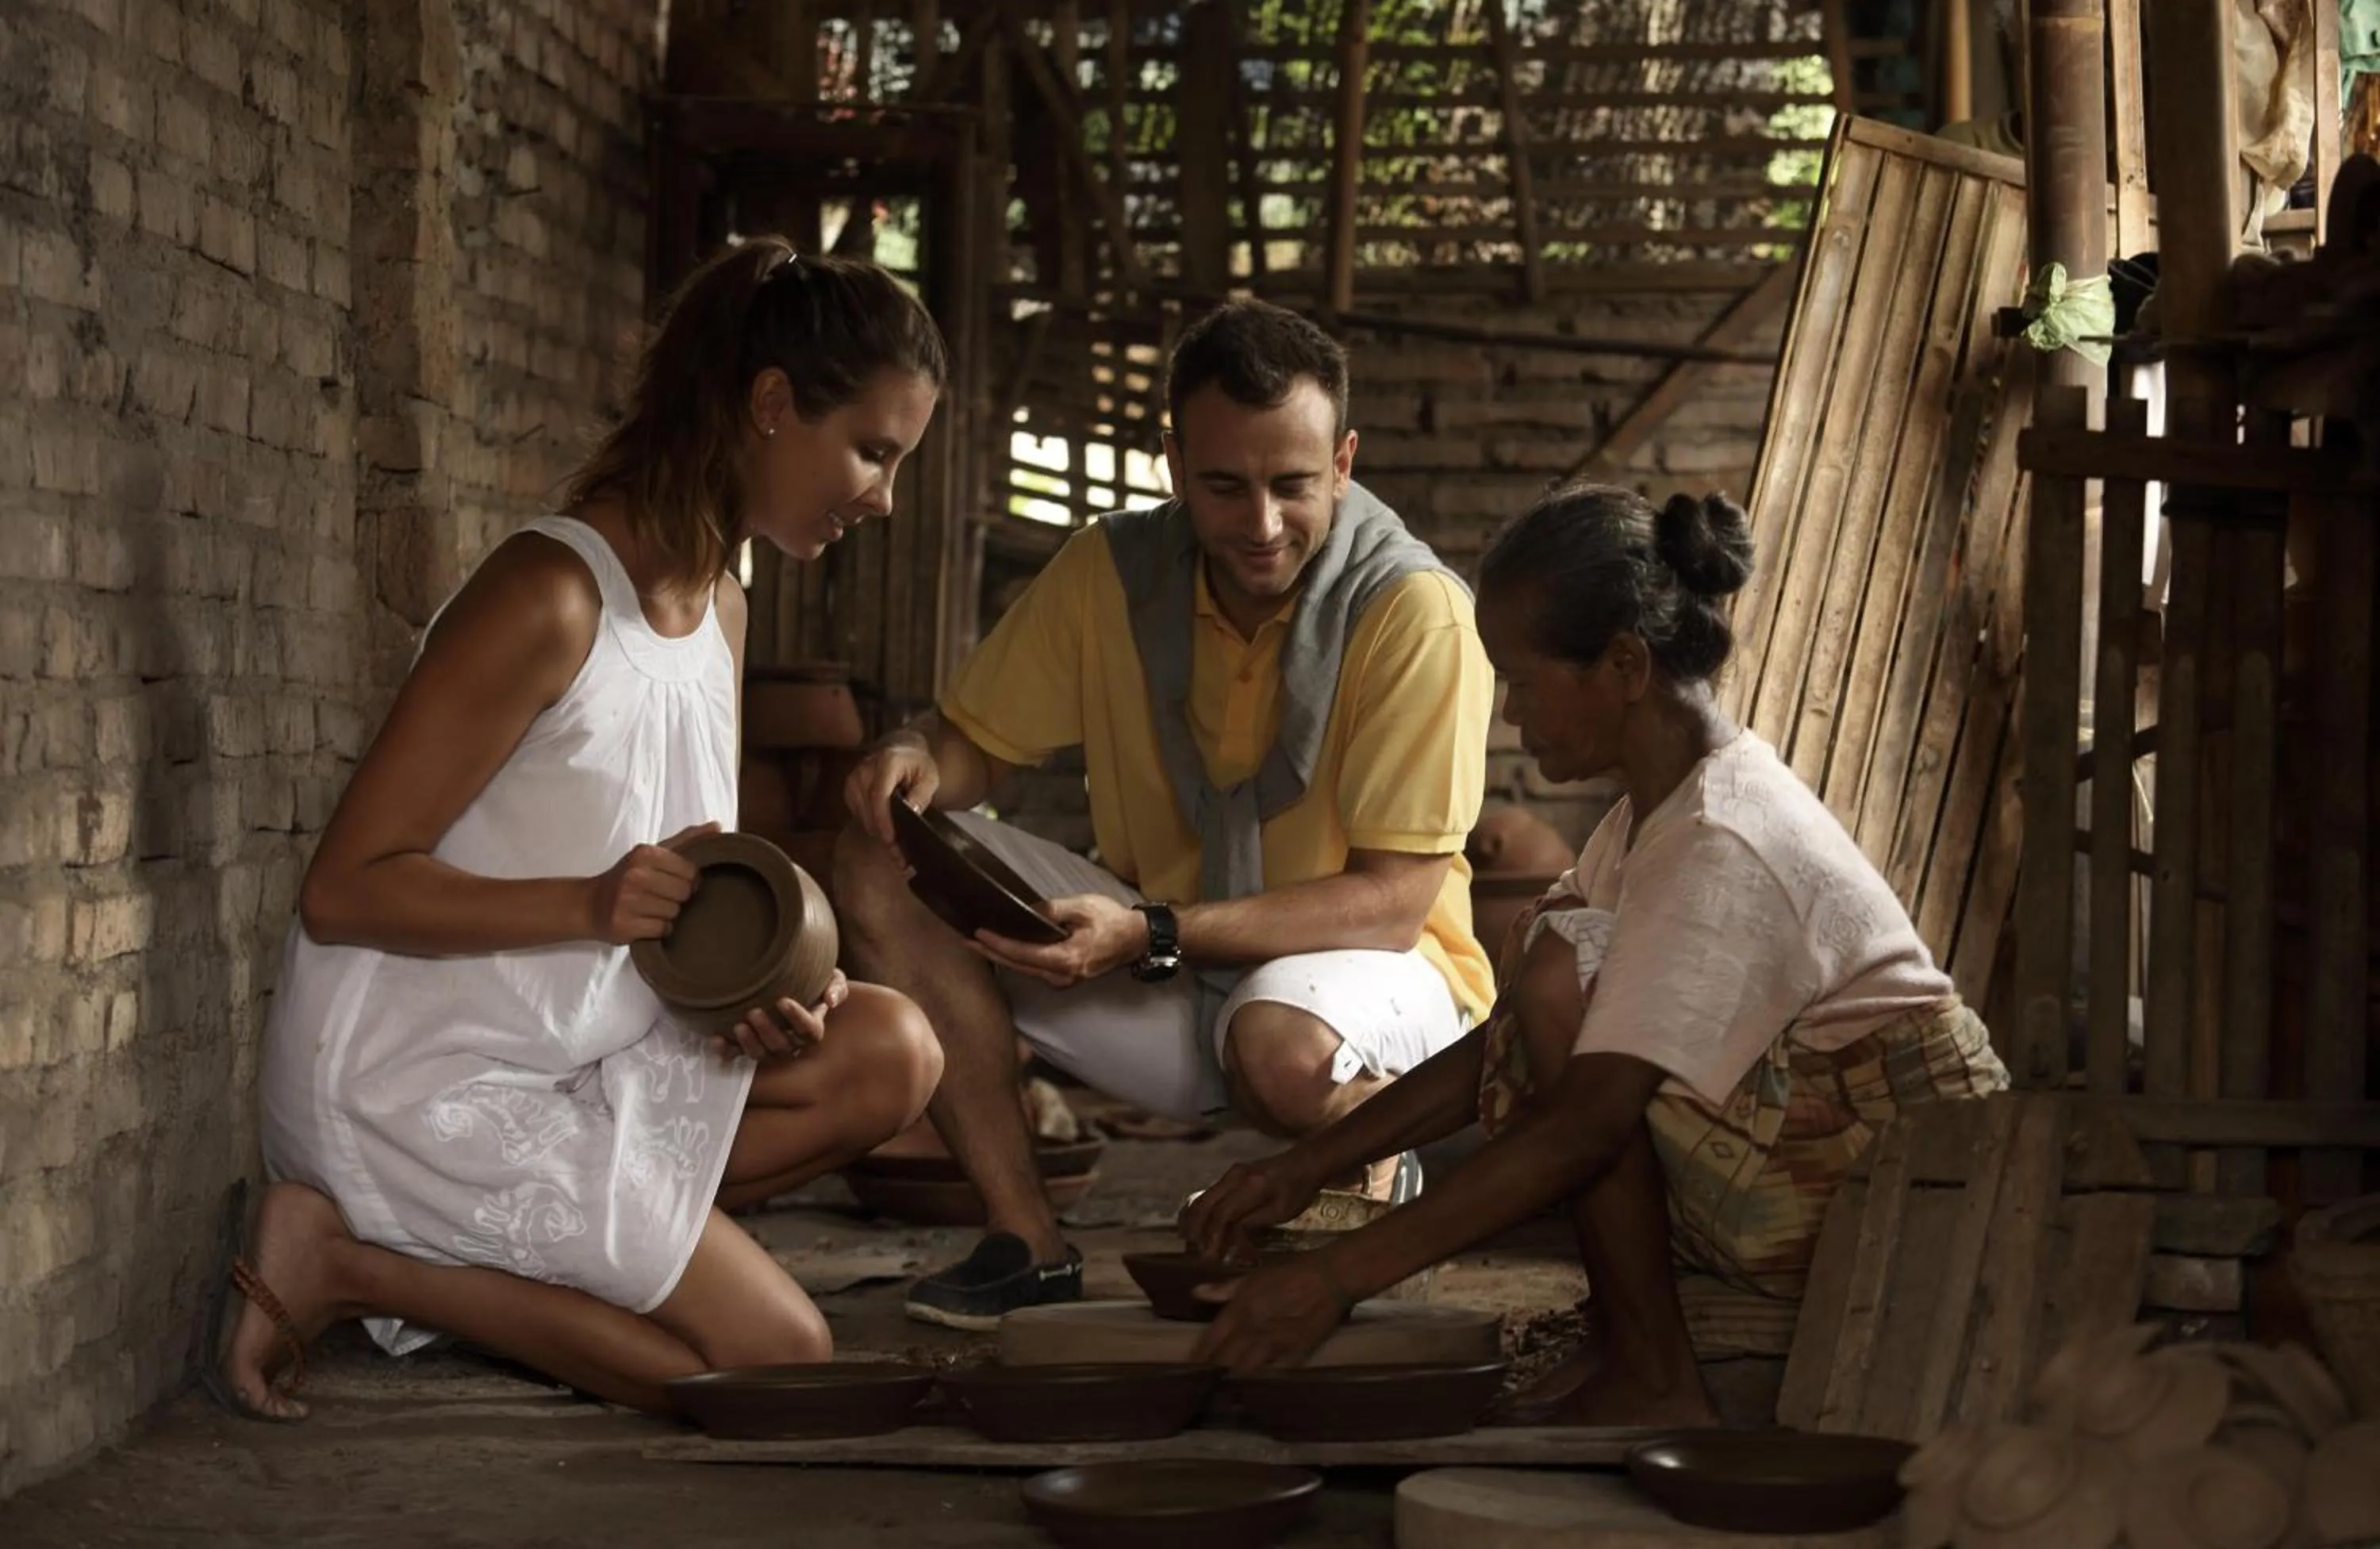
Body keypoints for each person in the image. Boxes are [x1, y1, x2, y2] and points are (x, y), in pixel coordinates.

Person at [206, 239, 951, 1422]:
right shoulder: (550, 596)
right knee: (780, 1362)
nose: (883, 496)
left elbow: (684, 893)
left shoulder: (724, 609)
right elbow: (344, 890)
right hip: (420, 1077)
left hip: (582, 1049)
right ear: (770, 406)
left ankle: (589, 1252)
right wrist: (591, 905)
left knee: (895, 1049)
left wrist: (752, 994)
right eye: (871, 450)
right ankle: (349, 1263)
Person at [1180, 482, 2010, 1426]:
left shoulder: (1723, 838)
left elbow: (1583, 1122)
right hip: (1825, 1158)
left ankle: (1655, 1373)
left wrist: (1333, 1278)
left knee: (1558, 977)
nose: (1510, 712)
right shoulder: (1651, 817)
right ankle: (1635, 1348)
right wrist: (1305, 1165)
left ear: (1623, 665)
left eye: (1523, 681)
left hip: (1908, 1195)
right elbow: (1504, 1051)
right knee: (1554, 974)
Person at [835, 301, 1497, 1331]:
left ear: (1346, 462)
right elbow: (976, 745)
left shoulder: (1414, 611)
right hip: (1171, 964)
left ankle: (1389, 1150)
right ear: (1173, 463)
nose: (1262, 524)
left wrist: (1149, 933)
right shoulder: (1110, 571)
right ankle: (1029, 1245)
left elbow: (1392, 904)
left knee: (1277, 1044)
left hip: (1379, 985)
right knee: (884, 862)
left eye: (1294, 485)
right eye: (1225, 487)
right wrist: (918, 753)